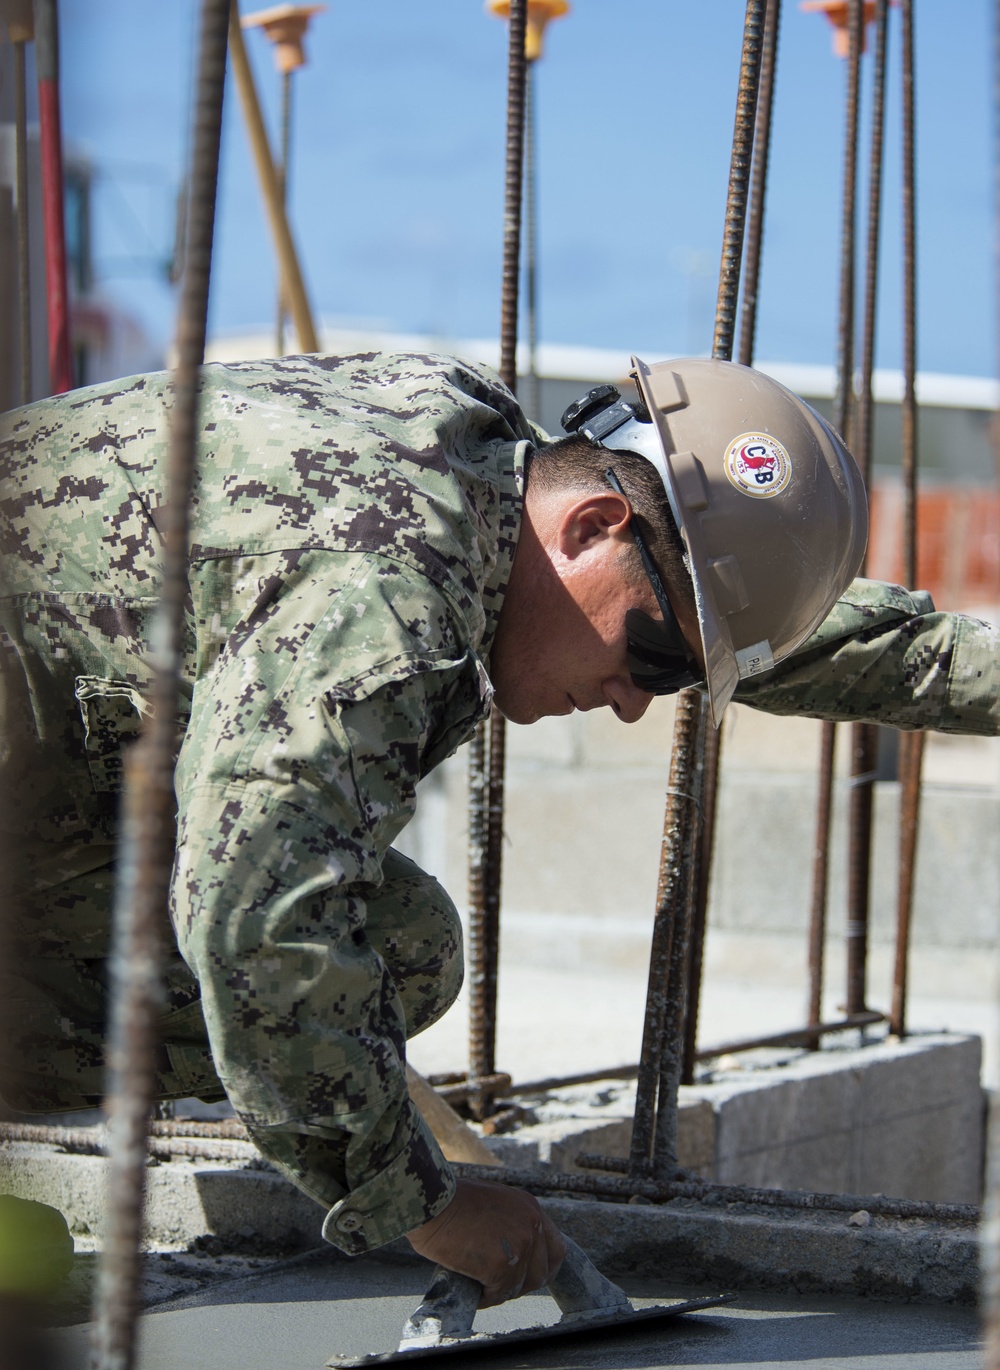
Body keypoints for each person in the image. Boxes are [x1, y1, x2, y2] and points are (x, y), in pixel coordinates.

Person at [1, 350, 996, 1308]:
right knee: (347, 944)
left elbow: (798, 635)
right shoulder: (382, 600)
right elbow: (256, 916)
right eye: (649, 661)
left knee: (399, 945)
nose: (633, 704)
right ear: (592, 525)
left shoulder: (476, 460)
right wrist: (417, 1203)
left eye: (675, 681)